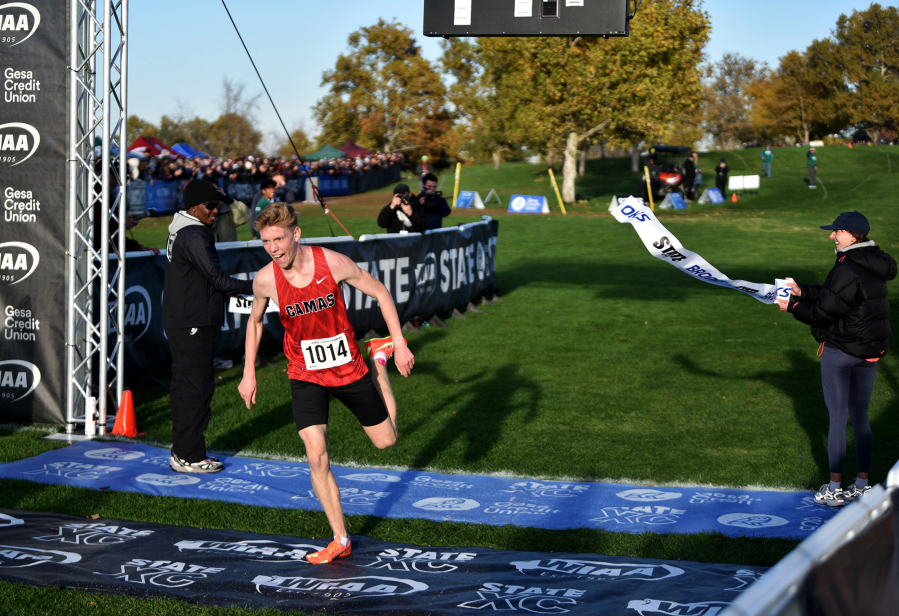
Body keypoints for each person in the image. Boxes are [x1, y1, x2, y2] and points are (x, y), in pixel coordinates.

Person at [238, 202, 414, 564]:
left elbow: (380, 292)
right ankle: (340, 538)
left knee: (386, 441)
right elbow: (254, 322)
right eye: (266, 241)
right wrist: (248, 372)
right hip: (304, 372)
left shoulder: (332, 263)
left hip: (348, 367)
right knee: (316, 456)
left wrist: (398, 343)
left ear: (296, 235)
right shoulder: (266, 279)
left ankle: (377, 361)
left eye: (279, 239)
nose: (273, 248)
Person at [778, 212, 896, 506]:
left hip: (841, 352)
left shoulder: (847, 267)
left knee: (837, 420)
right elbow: (837, 297)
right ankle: (863, 485)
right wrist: (803, 291)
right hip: (869, 353)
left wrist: (791, 307)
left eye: (837, 231)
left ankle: (833, 489)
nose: (832, 235)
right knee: (860, 418)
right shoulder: (874, 262)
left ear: (853, 235)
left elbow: (822, 313)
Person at [163, 179, 255, 474]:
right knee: (196, 389)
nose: (216, 211)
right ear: (193, 207)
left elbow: (209, 279)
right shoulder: (194, 234)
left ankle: (183, 452)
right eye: (211, 206)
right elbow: (217, 279)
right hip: (193, 321)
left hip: (183, 319)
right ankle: (189, 456)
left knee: (185, 387)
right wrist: (261, 285)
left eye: (217, 205)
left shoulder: (184, 228)